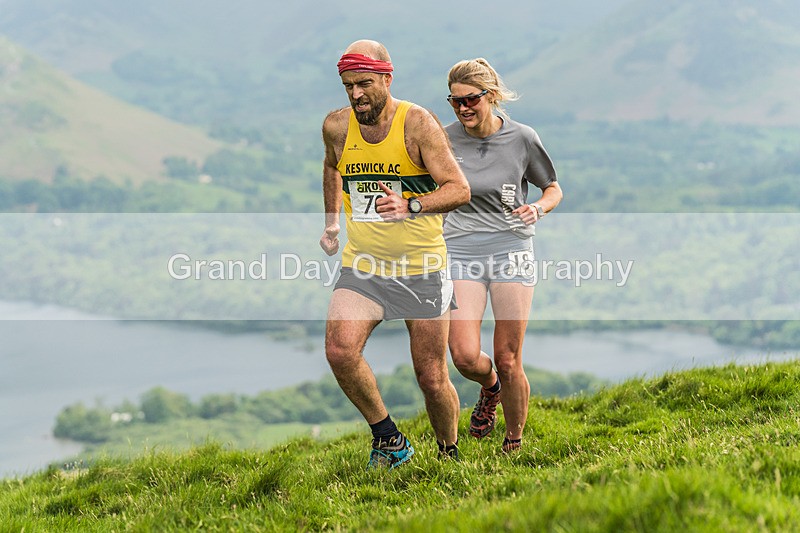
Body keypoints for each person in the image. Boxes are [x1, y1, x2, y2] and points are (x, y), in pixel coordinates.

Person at [319, 40, 471, 469]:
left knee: (431, 376)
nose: (356, 94)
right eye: (348, 85)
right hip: (363, 264)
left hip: (421, 266)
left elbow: (459, 189)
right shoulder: (336, 126)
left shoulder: (418, 124)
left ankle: (449, 454)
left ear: (387, 78)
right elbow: (332, 165)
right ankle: (389, 439)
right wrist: (332, 221)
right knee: (339, 350)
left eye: (364, 83)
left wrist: (411, 204)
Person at [443, 58, 563, 453]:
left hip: (511, 249)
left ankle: (514, 442)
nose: (463, 109)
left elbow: (553, 188)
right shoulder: (442, 139)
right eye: (455, 101)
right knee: (462, 355)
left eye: (470, 100)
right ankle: (489, 388)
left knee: (508, 358)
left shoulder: (522, 138)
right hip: (460, 251)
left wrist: (538, 208)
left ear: (491, 96)